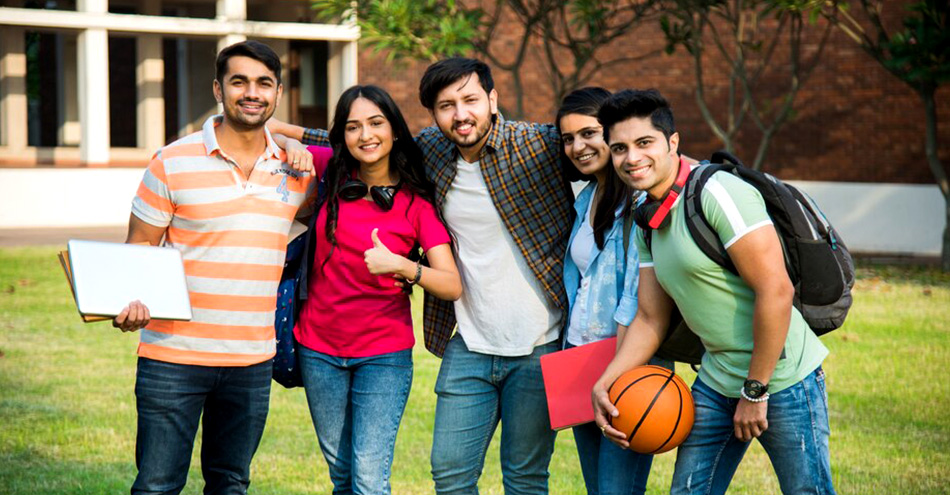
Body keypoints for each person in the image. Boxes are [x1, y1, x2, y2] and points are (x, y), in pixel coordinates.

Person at [271, 57, 574, 494]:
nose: (461, 114)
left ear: (492, 99)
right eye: (446, 105)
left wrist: (404, 266)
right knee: (446, 478)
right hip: (466, 341)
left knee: (524, 478)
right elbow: (347, 138)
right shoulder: (430, 152)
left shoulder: (535, 145)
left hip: (538, 342)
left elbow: (595, 141)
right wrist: (284, 134)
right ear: (432, 114)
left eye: (470, 100)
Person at [590, 89, 835, 495]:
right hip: (717, 379)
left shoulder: (718, 192)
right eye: (619, 148)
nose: (631, 158)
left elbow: (776, 290)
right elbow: (650, 317)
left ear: (672, 142)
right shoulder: (646, 215)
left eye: (644, 143)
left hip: (783, 378)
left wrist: (755, 391)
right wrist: (607, 381)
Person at [111, 40, 321, 495]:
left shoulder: (296, 171)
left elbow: (360, 150)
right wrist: (128, 304)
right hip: (173, 356)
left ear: (278, 92)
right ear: (218, 89)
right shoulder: (171, 161)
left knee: (230, 484)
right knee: (157, 485)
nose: (252, 92)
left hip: (252, 360)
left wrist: (291, 140)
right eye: (239, 81)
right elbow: (138, 248)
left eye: (264, 83)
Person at [293, 84, 462, 495]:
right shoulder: (329, 172)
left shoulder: (416, 205)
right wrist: (293, 148)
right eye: (353, 127)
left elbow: (452, 284)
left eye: (375, 123)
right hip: (318, 349)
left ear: (395, 131)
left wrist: (404, 266)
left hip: (382, 355)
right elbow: (264, 133)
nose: (365, 135)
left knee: (369, 479)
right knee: (341, 476)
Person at [557, 87, 670, 495]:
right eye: (568, 138)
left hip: (629, 362)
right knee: (597, 487)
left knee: (616, 489)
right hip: (579, 358)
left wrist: (613, 375)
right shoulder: (586, 198)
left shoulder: (641, 200)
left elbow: (638, 299)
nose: (578, 147)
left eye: (588, 134)